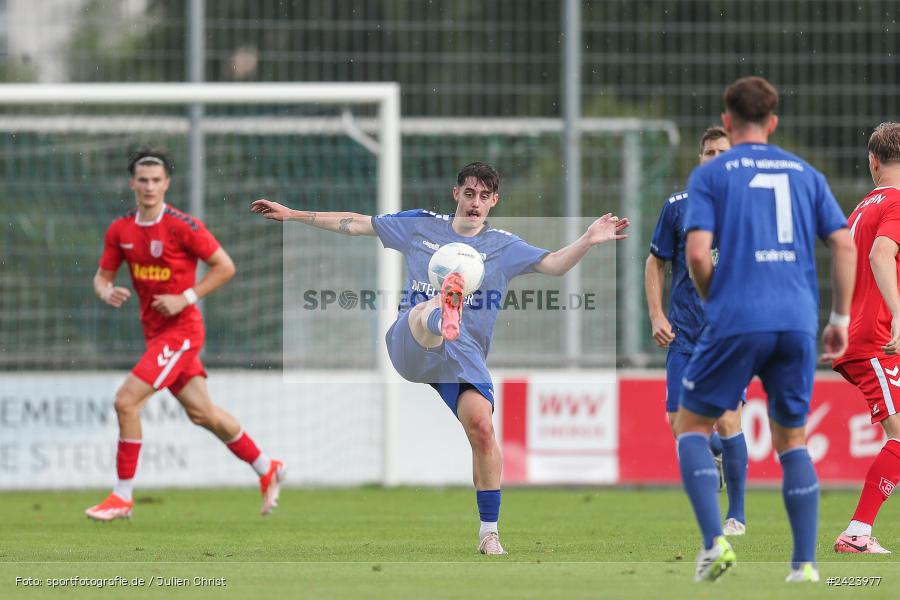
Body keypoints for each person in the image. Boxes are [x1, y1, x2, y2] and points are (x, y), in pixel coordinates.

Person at [250, 161, 629, 554]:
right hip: (411, 344)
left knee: (482, 428)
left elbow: (552, 265)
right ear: (456, 195)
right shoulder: (421, 226)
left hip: (461, 355)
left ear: (494, 201)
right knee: (423, 311)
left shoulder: (503, 244)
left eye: (484, 196)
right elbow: (357, 223)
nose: (475, 203)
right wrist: (293, 214)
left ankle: (489, 533)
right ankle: (442, 307)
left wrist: (587, 239)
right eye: (469, 194)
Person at [675, 77, 856, 582]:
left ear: (728, 122)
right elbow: (844, 246)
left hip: (738, 316)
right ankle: (805, 565)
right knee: (792, 440)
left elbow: (695, 254)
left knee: (690, 427)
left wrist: (718, 299)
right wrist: (838, 320)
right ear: (773, 123)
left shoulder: (712, 174)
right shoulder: (805, 173)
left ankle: (715, 547)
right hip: (797, 321)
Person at [86, 146, 285, 521]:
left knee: (126, 402)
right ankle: (266, 467)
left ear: (166, 184)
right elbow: (103, 276)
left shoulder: (182, 226)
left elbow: (225, 267)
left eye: (156, 180)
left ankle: (122, 496)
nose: (149, 187)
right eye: (142, 180)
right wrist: (104, 290)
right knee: (203, 414)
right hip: (156, 335)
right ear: (132, 183)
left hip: (182, 331)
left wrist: (185, 297)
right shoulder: (121, 230)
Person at [645, 126, 748, 536]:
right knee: (679, 423)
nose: (716, 158)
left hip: (729, 335)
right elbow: (655, 262)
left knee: (726, 418)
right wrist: (656, 314)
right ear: (700, 160)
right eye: (709, 152)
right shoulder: (677, 207)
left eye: (723, 151)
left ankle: (736, 514)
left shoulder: (750, 206)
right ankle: (719, 455)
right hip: (684, 334)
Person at [832, 122, 900, 555]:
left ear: (872, 162)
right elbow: (880, 255)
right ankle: (857, 532)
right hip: (877, 339)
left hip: (860, 334)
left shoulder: (861, 207)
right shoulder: (897, 202)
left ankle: (859, 530)